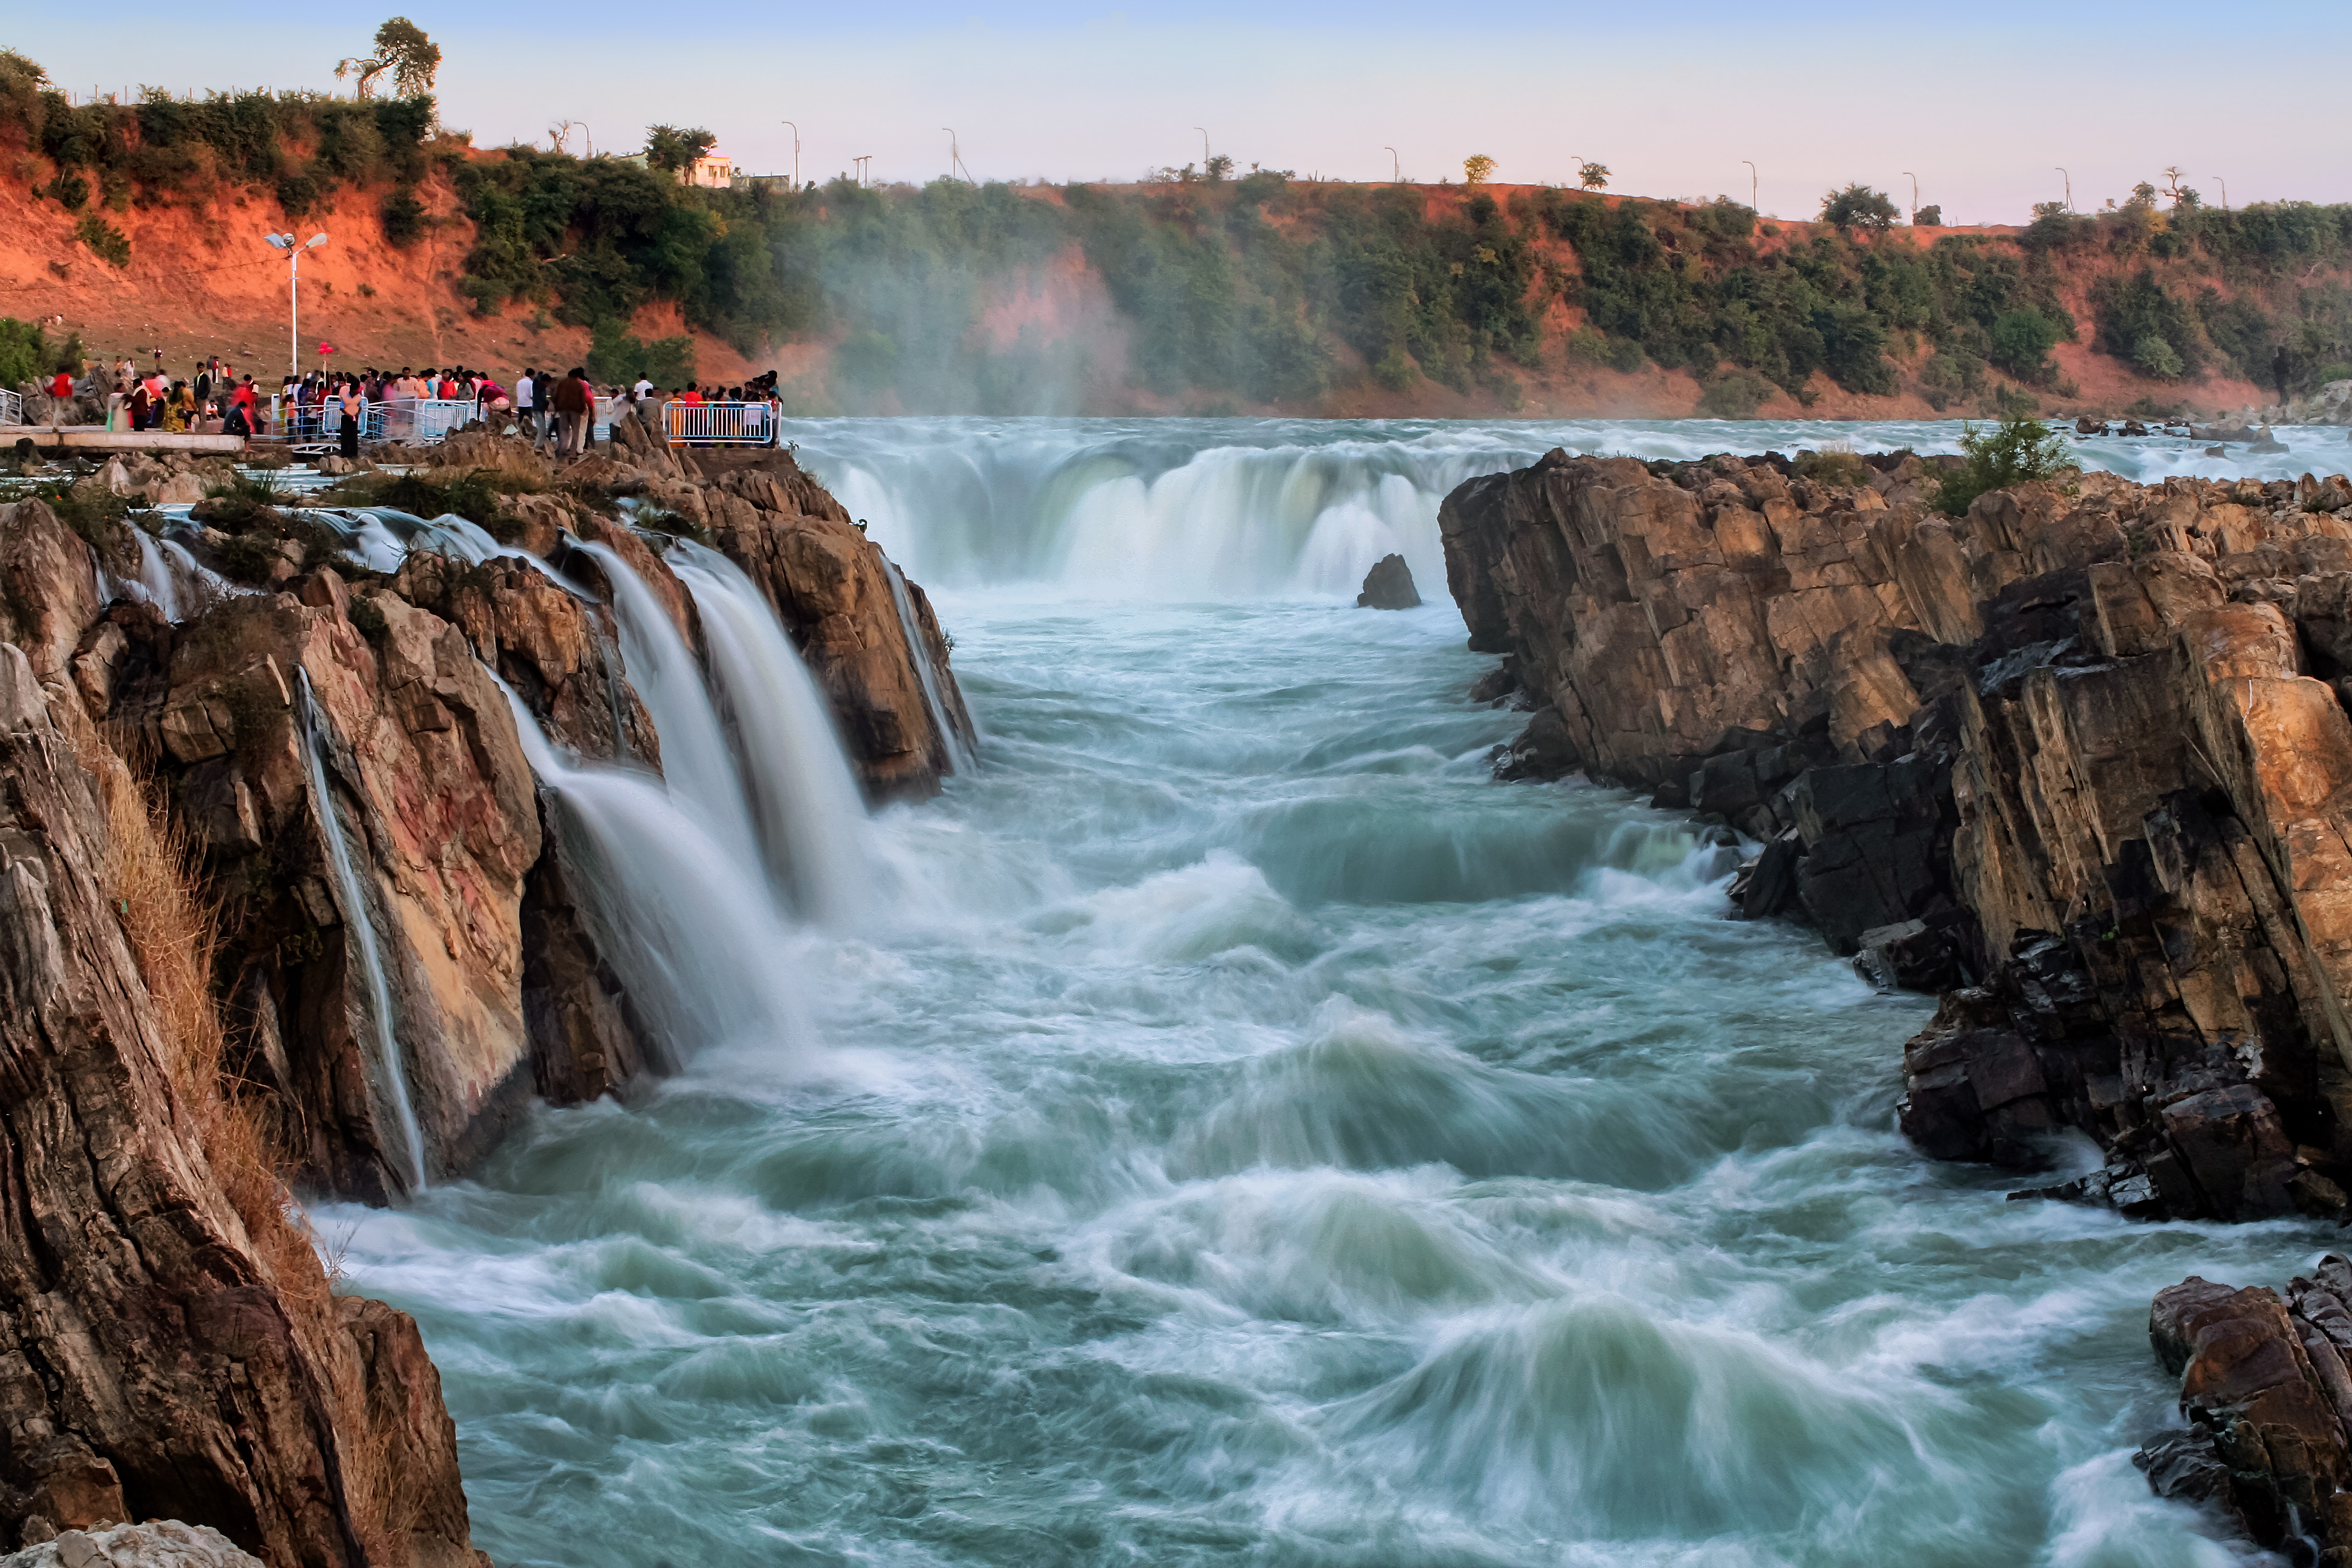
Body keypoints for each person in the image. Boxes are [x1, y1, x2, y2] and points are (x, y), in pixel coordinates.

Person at [551, 366, 592, 455]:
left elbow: (555, 396)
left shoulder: (562, 384)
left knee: (565, 430)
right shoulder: (579, 385)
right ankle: (575, 451)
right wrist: (582, 410)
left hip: (563, 410)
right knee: (576, 431)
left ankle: (563, 449)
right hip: (575, 411)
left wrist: (558, 407)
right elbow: (584, 398)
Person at [338, 375, 363, 459]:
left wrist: (357, 415)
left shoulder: (359, 397)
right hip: (346, 417)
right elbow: (341, 408)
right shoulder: (345, 396)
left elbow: (360, 407)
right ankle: (344, 455)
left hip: (355, 418)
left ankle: (354, 454)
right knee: (345, 436)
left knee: (354, 437)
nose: (358, 391)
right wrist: (348, 415)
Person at [2275, 344, 2294, 410]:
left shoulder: (2283, 361)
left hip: (2282, 377)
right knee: (2281, 389)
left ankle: (2285, 402)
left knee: (2283, 389)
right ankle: (2283, 402)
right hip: (2280, 377)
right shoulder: (2284, 361)